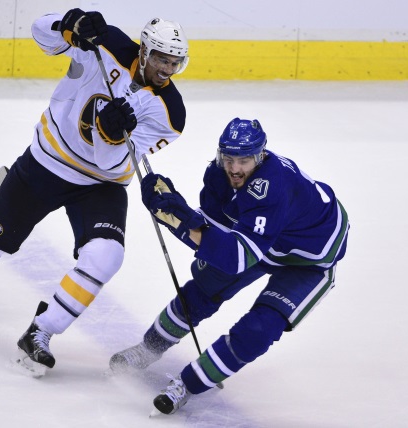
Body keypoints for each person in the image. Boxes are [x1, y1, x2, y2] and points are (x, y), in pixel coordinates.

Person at [0, 9, 190, 377]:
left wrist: (109, 133)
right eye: (160, 59)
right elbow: (40, 34)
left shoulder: (171, 113)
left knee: (106, 256)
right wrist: (67, 24)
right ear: (143, 51)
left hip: (100, 185)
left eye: (174, 63)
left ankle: (41, 331)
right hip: (47, 161)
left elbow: (112, 164)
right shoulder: (105, 43)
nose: (166, 69)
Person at [109, 117, 351, 415]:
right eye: (229, 158)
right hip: (263, 241)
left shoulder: (272, 187)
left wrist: (180, 224)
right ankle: (148, 349)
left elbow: (236, 258)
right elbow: (215, 225)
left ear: (261, 156)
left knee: (259, 329)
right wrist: (177, 211)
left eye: (245, 160)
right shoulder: (217, 173)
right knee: (203, 288)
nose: (235, 168)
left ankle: (189, 384)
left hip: (310, 258)